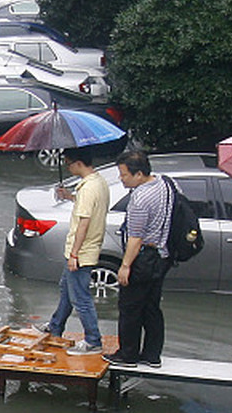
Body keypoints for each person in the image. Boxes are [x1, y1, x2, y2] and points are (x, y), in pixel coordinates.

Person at [105, 149, 170, 368]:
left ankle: (128, 355)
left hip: (143, 258)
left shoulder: (140, 199)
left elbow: (136, 237)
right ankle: (152, 355)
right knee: (152, 307)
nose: (121, 179)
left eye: (124, 175)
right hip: (162, 255)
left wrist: (125, 266)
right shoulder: (165, 184)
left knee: (130, 307)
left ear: (139, 174)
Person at [40, 150, 110, 355]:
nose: (68, 167)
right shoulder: (98, 182)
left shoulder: (88, 189)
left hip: (82, 251)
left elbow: (84, 223)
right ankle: (55, 326)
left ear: (79, 163)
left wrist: (74, 254)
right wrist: (70, 197)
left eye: (69, 164)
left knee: (80, 297)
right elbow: (89, 208)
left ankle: (93, 340)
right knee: (66, 289)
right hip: (86, 248)